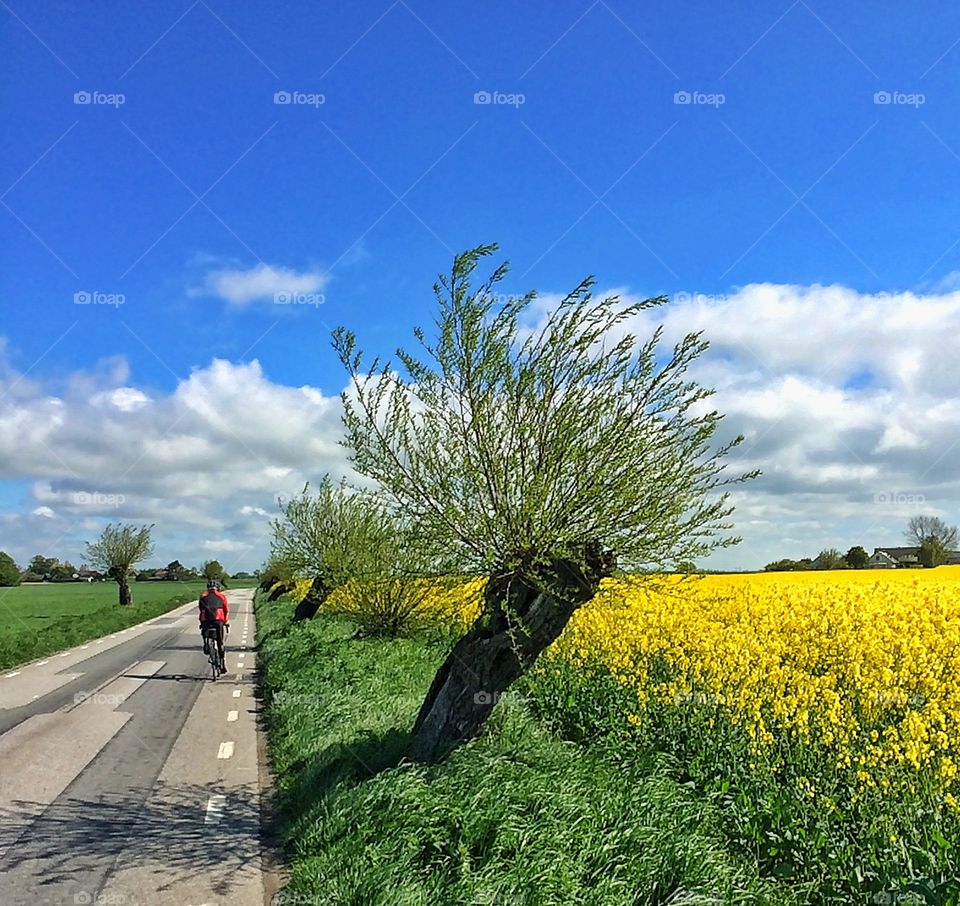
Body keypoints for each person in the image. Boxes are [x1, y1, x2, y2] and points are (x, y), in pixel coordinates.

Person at [198, 578, 229, 674]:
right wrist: (225, 621)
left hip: (206, 620)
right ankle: (222, 664)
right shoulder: (222, 596)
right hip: (218, 620)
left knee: (204, 629)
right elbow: (226, 610)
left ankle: (206, 644)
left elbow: (201, 609)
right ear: (217, 588)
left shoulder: (203, 596)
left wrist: (202, 622)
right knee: (220, 642)